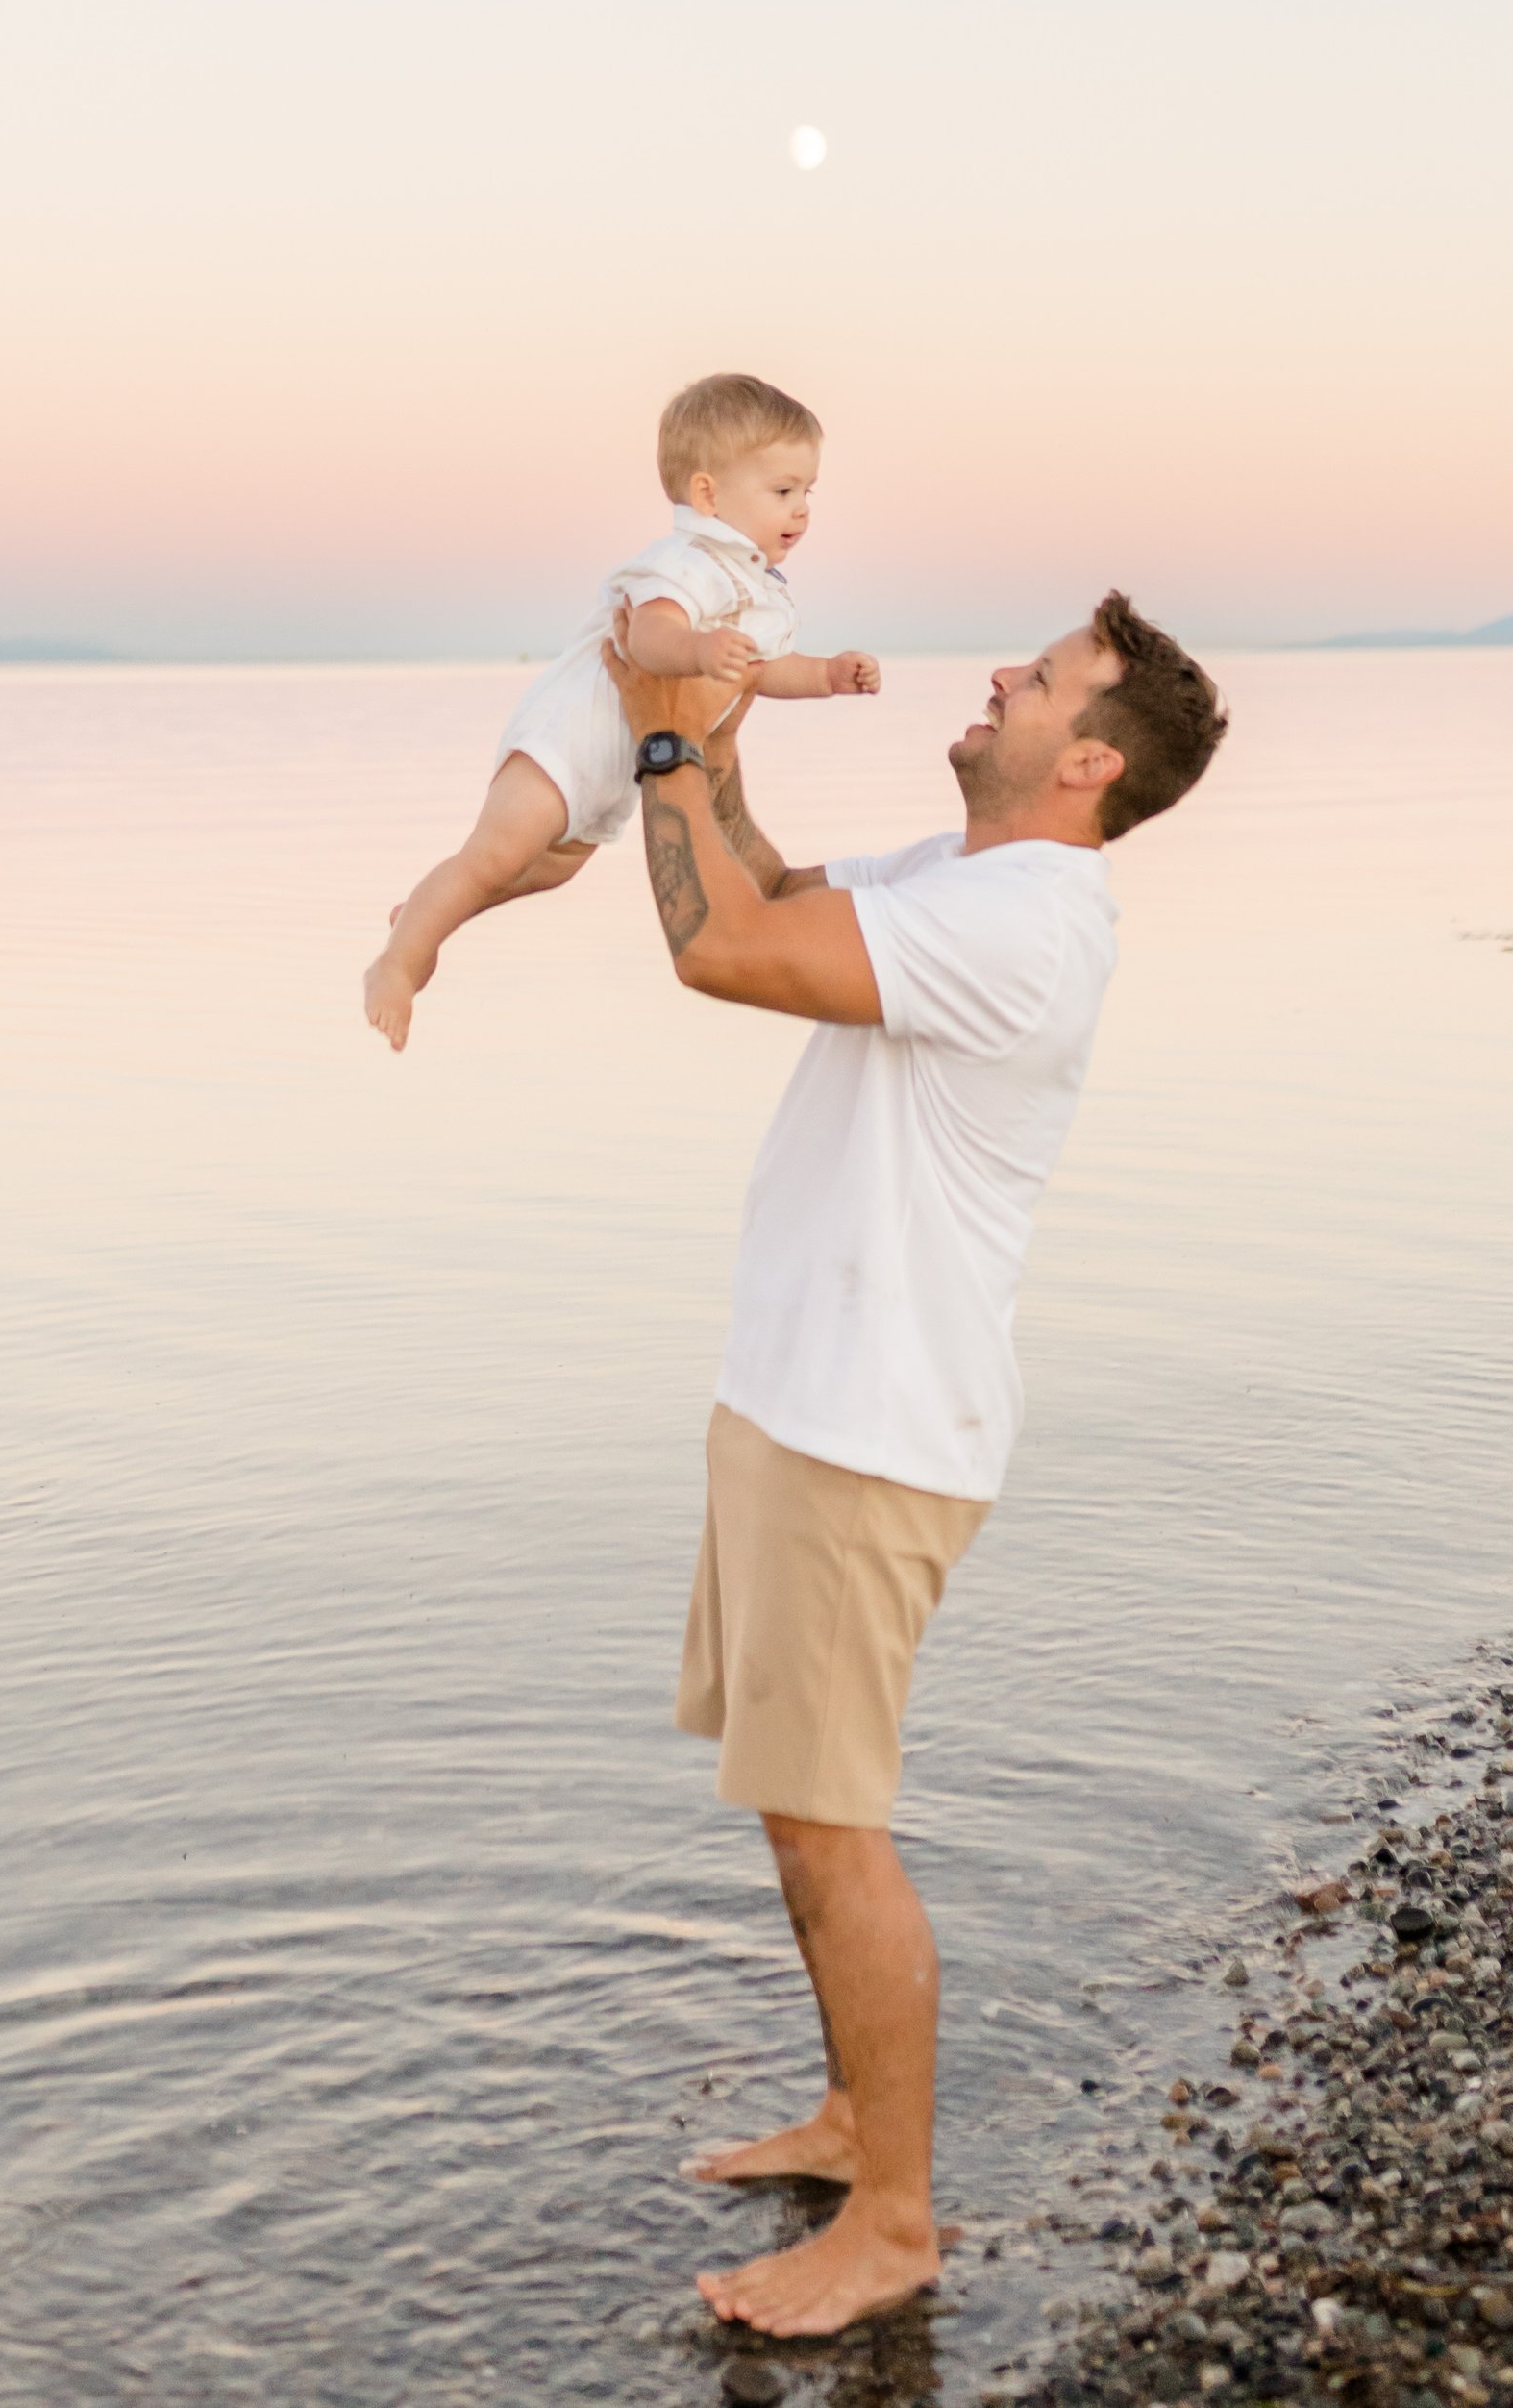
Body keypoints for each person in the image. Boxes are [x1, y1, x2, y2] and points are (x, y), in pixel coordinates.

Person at [602, 591, 1228, 2339]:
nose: (1001, 682)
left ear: (1087, 760)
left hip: (870, 1432)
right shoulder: (959, 882)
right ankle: (854, 2117)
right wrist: (708, 716)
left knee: (837, 1828)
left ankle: (892, 2222)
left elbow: (717, 951)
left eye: (1038, 681)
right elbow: (772, 889)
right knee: (795, 1816)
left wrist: (655, 735)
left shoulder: (1027, 923)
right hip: (799, 1400)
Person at [361, 373, 879, 1051]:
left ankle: (429, 912)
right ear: (707, 493)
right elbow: (646, 636)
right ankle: (400, 962)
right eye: (783, 491)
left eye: (808, 491)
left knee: (552, 868)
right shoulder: (688, 562)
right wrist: (697, 649)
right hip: (568, 742)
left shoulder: (759, 592)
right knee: (497, 854)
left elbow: (763, 670)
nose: (803, 509)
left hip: (612, 767)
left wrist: (827, 676)